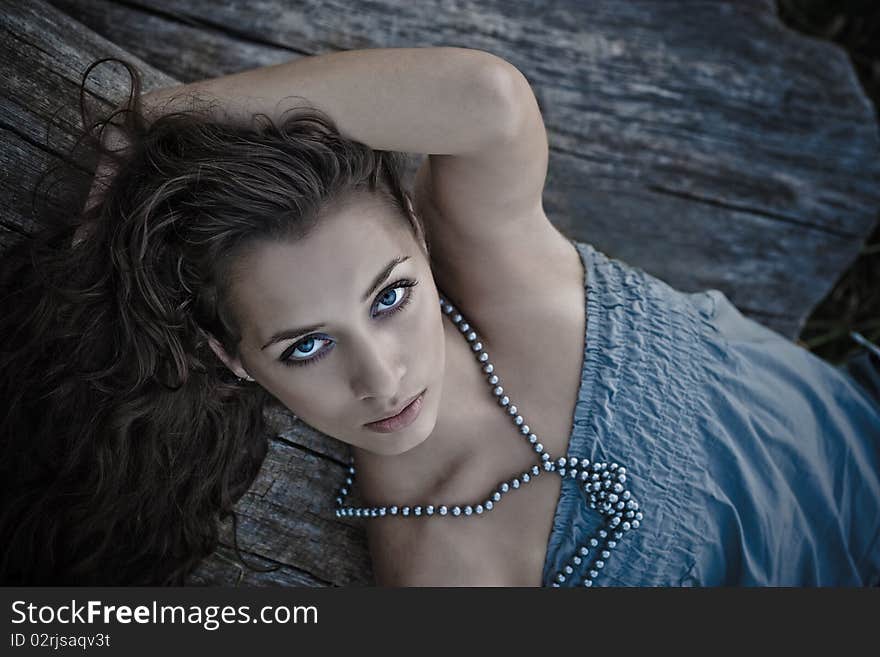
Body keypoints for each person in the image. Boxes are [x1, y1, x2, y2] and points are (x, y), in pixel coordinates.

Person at [1, 47, 878, 587]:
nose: (381, 376)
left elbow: (485, 99)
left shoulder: (504, 269)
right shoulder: (441, 572)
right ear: (229, 359)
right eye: (305, 345)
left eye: (390, 296)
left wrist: (152, 121)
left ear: (421, 235)